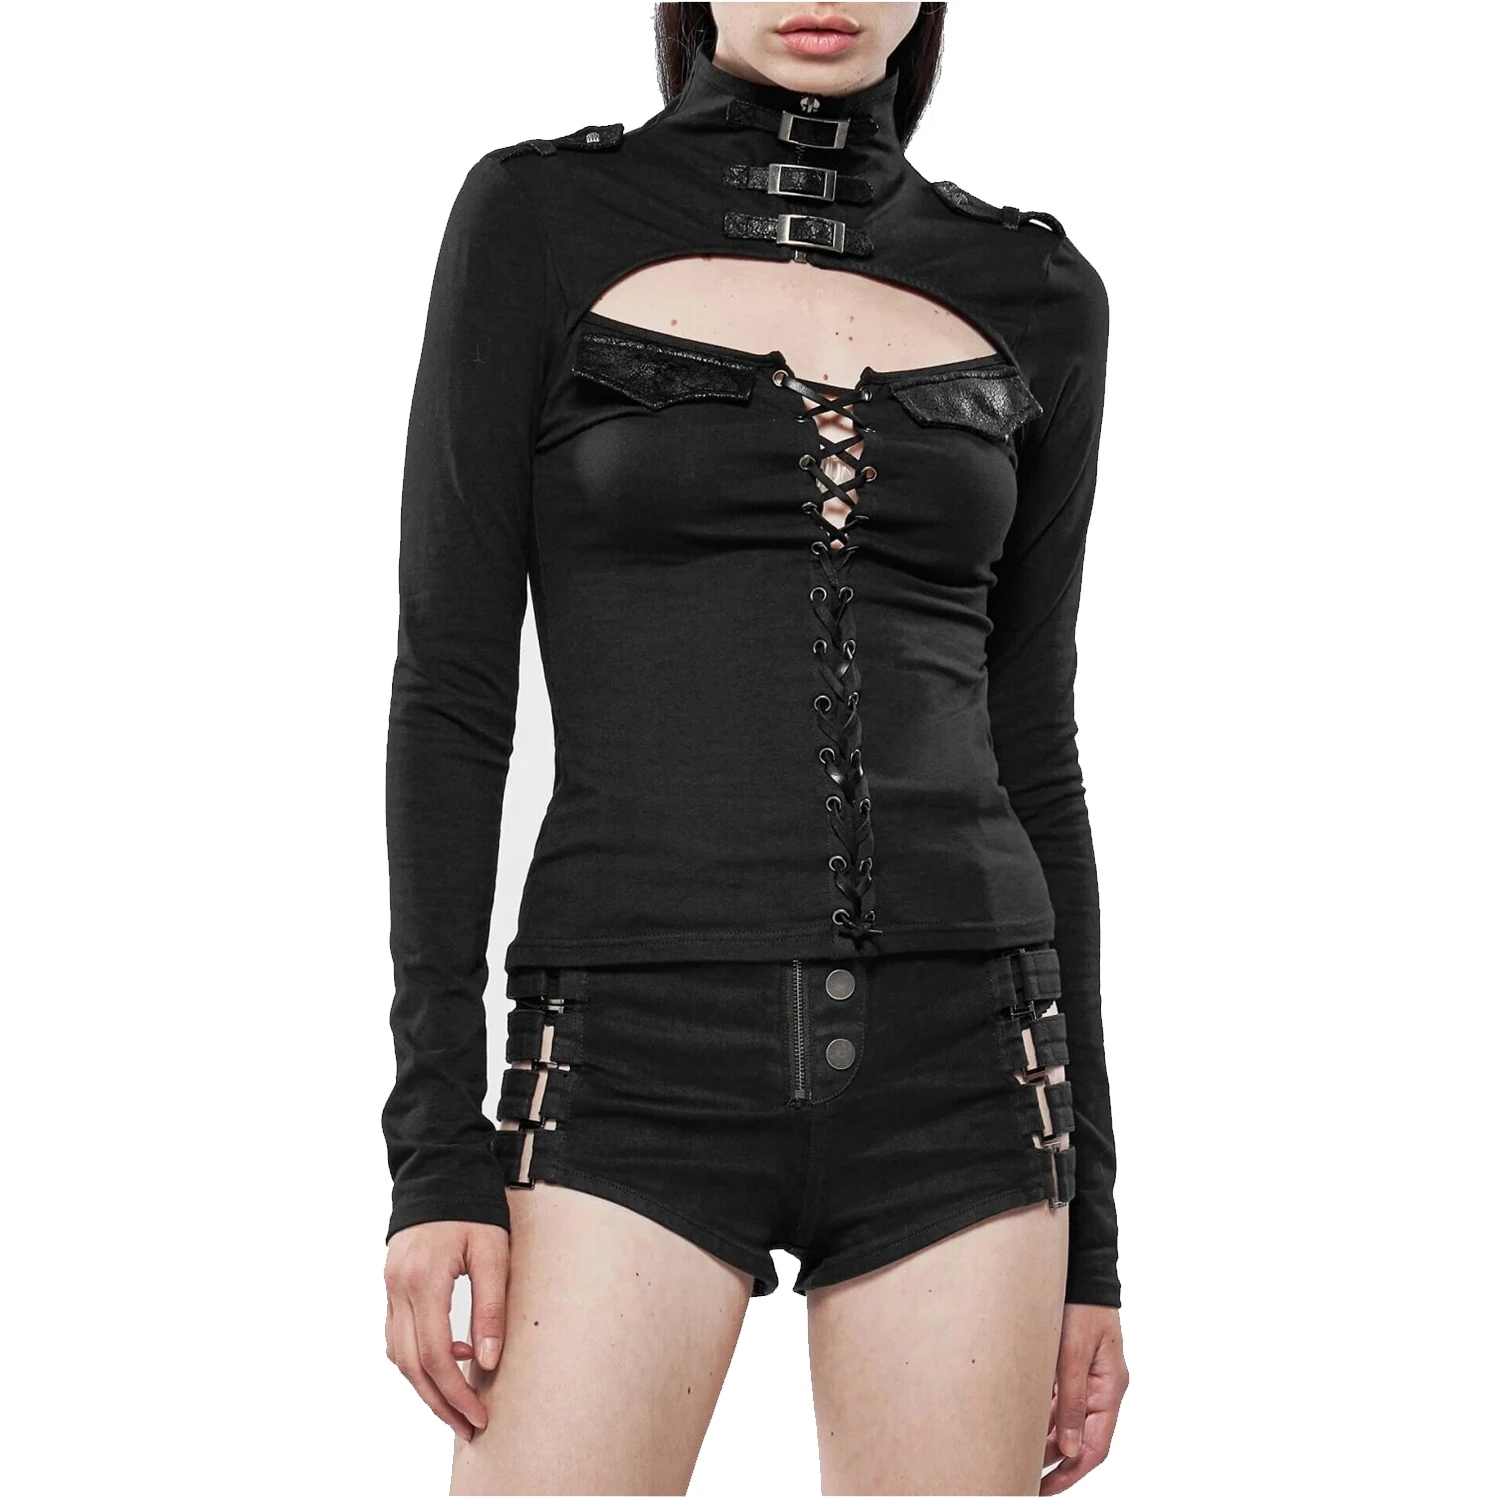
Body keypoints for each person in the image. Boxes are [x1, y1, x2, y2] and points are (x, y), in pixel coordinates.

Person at [382, 3, 1129, 1492]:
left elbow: (1034, 746)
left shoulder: (1039, 289)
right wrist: (434, 1150)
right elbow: (452, 696)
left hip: (970, 1065)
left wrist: (1093, 1239)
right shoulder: (540, 218)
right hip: (628, 1054)